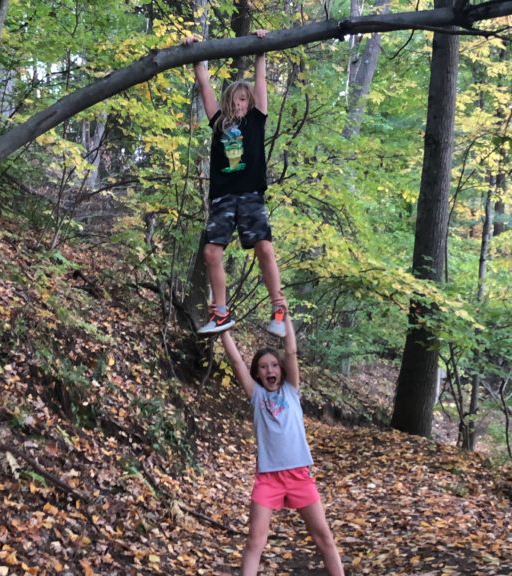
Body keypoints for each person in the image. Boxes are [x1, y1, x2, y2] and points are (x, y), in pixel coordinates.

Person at [218, 316, 345, 576]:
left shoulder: (291, 390)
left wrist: (284, 317)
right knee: (255, 541)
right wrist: (222, 331)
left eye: (274, 365)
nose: (269, 370)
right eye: (263, 367)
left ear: (282, 370)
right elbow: (237, 362)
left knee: (324, 539)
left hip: (299, 475)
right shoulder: (257, 396)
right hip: (268, 478)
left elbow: (290, 350)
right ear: (257, 374)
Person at [187, 29, 287, 337]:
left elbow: (260, 84)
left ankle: (278, 307)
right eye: (235, 99)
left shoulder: (257, 120)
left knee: (264, 248)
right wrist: (196, 56)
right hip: (222, 198)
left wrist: (261, 50)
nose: (240, 103)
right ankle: (220, 311)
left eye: (245, 99)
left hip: (251, 195)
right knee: (210, 253)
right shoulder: (219, 124)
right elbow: (205, 86)